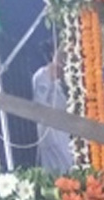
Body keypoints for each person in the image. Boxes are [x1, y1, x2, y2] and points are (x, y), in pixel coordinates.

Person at [31, 43, 74, 173]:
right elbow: (39, 106)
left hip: (66, 131)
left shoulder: (63, 80)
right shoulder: (42, 75)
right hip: (50, 132)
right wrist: (50, 77)